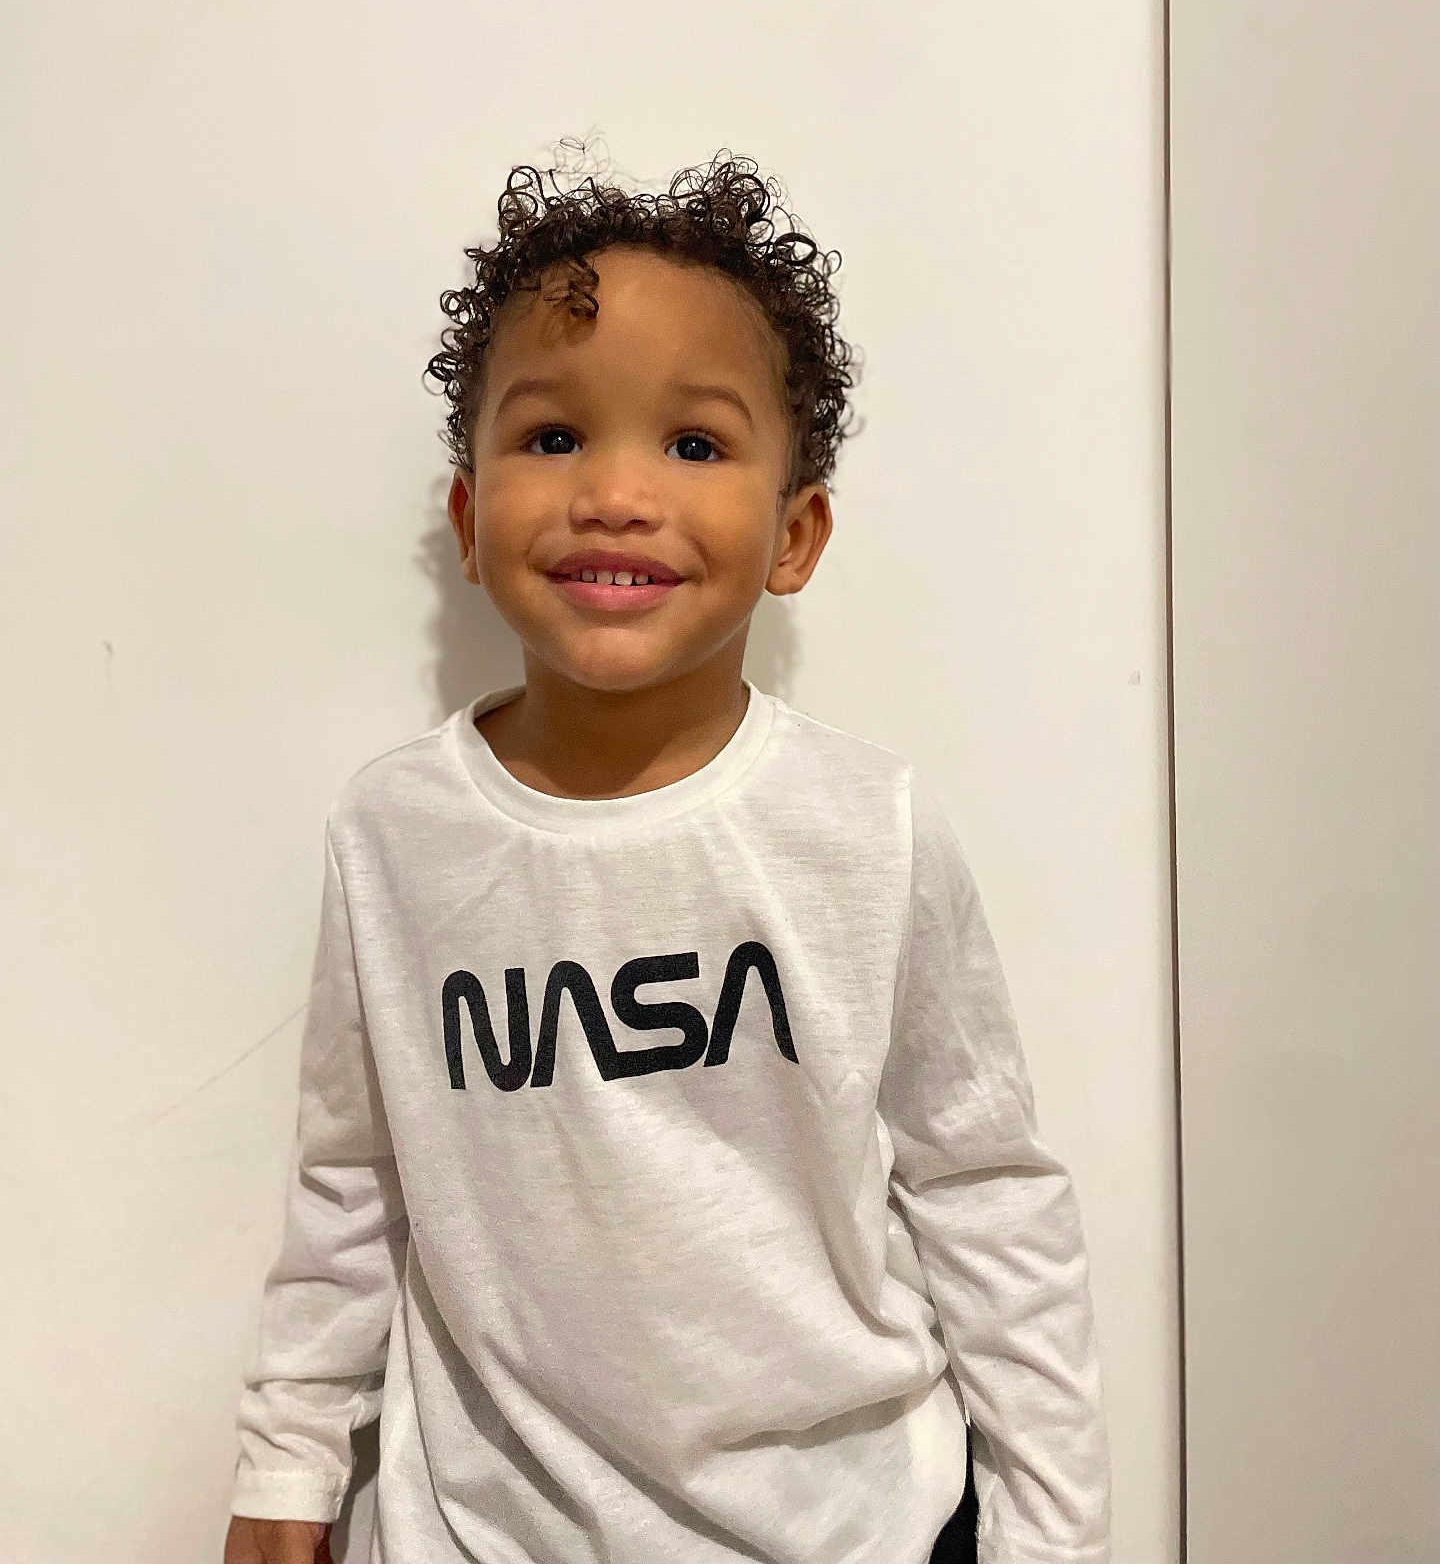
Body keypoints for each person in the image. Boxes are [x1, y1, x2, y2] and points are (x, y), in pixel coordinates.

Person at [224, 146, 1111, 1564]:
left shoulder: (865, 828)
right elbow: (352, 1180)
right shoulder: (393, 833)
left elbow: (983, 1188)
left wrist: (1052, 1532)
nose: (617, 494)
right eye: (553, 437)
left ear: (795, 534)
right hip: (484, 1532)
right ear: (468, 519)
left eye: (694, 445)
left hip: (855, 1525)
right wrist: (288, 1464)